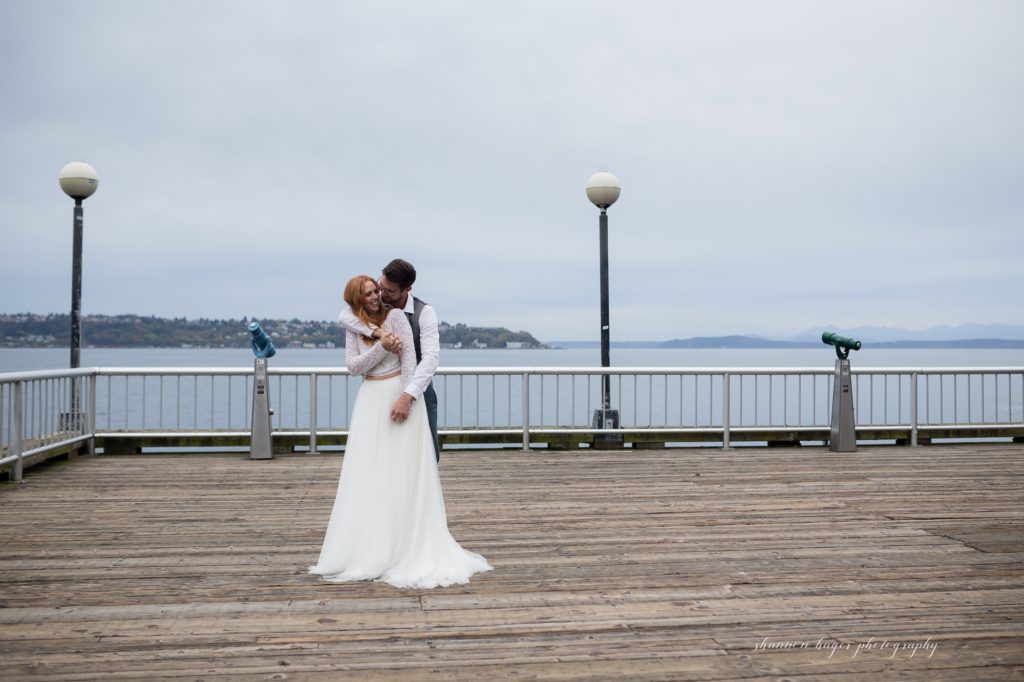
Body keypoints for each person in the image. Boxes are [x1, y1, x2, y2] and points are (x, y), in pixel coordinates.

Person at [309, 275, 491, 588]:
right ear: (357, 299)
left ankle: (405, 545)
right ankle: (372, 545)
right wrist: (380, 345)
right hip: (370, 400)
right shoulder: (354, 324)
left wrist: (406, 397)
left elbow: (411, 359)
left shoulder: (396, 317)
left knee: (402, 471)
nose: (375, 296)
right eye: (368, 293)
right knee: (372, 473)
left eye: (377, 291)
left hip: (397, 394)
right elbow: (354, 367)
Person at [338, 259, 441, 461]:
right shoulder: (375, 304)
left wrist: (407, 395)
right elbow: (344, 316)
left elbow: (429, 359)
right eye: (380, 287)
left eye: (389, 292)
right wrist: (377, 334)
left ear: (407, 289)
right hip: (379, 391)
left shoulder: (424, 313)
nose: (382, 295)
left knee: (426, 452)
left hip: (419, 387)